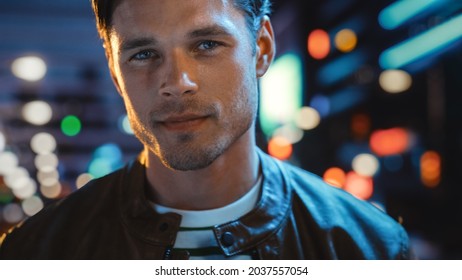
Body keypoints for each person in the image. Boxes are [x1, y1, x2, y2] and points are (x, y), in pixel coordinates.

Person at [0, 0, 411, 260]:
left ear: (262, 50)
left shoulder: (369, 249)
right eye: (143, 54)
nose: (176, 81)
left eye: (207, 45)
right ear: (114, 71)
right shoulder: (37, 255)